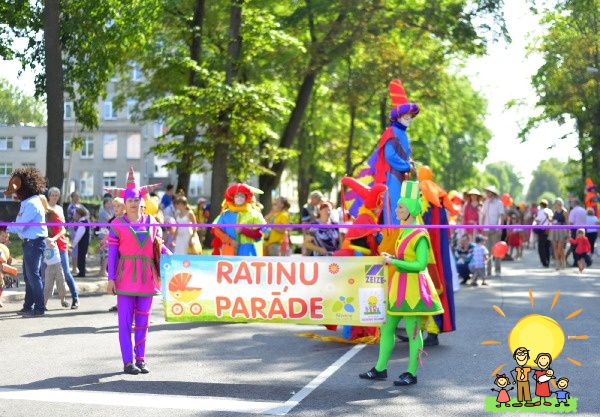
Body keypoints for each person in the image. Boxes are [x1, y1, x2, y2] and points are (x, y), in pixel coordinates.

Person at [359, 181, 443, 386]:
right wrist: (393, 256)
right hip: (398, 287)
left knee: (414, 331)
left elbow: (420, 264)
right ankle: (380, 369)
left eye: (400, 207)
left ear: (412, 210)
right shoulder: (404, 230)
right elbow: (406, 257)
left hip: (413, 288)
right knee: (387, 328)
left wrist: (393, 261)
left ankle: (411, 373)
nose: (396, 210)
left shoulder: (420, 234)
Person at [104, 166, 167, 374]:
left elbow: (159, 246)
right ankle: (127, 362)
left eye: (136, 199)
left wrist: (173, 258)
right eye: (129, 200)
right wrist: (111, 278)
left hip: (147, 279)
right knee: (124, 323)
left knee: (143, 322)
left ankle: (141, 359)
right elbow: (112, 254)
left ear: (142, 202)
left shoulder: (153, 222)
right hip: (125, 279)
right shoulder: (117, 224)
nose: (133, 203)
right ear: (125, 203)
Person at [4, 167, 48, 318]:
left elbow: (20, 225)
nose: (15, 193)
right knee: (29, 276)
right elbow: (19, 223)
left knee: (33, 276)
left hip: (34, 243)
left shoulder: (32, 203)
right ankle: (28, 306)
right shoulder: (27, 202)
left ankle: (39, 307)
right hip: (30, 243)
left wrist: (5, 228)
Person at [47, 186, 80, 308]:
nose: (55, 197)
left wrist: (55, 239)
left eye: (57, 195)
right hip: (47, 245)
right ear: (49, 196)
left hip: (60, 244)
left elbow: (63, 229)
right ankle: (41, 302)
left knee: (66, 272)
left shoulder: (60, 209)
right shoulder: (44, 208)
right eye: (53, 194)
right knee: (45, 273)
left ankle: (75, 297)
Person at [212, 183, 267, 256]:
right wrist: (230, 241)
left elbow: (259, 234)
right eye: (237, 195)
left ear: (246, 197)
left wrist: (243, 230)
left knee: (246, 266)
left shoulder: (254, 214)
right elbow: (217, 230)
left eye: (242, 195)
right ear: (233, 198)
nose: (239, 198)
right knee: (229, 266)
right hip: (229, 247)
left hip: (247, 248)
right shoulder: (225, 214)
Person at [39, 195, 70, 309]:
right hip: (43, 250)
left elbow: (63, 229)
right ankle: (44, 303)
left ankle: (64, 299)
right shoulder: (36, 215)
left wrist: (53, 239)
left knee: (61, 277)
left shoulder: (52, 214)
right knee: (46, 279)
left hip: (57, 248)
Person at [481, 185, 505, 277]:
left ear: (493, 193)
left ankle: (497, 270)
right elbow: (483, 215)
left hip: (495, 229)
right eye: (487, 192)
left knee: (497, 250)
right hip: (487, 229)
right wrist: (483, 227)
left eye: (489, 192)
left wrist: (500, 228)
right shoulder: (486, 203)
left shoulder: (499, 203)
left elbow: (502, 216)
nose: (487, 193)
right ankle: (489, 270)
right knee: (487, 250)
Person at [66, 191, 89, 275]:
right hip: (73, 228)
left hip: (79, 228)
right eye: (74, 196)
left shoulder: (80, 206)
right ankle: (75, 267)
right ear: (72, 197)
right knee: (75, 248)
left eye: (77, 196)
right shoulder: (71, 207)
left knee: (82, 249)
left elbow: (87, 214)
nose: (76, 198)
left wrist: (84, 215)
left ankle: (81, 267)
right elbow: (75, 216)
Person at [549, 198, 569, 270]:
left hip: (562, 230)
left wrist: (568, 232)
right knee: (555, 247)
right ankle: (557, 263)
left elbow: (567, 222)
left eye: (555, 203)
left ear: (559, 204)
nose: (554, 205)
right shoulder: (555, 212)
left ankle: (563, 261)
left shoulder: (564, 211)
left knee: (560, 248)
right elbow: (552, 221)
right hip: (554, 229)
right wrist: (549, 217)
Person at [71, 207, 91, 277]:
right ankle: (81, 272)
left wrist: (73, 245)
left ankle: (81, 273)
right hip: (84, 243)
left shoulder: (82, 223)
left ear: (79, 215)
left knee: (81, 258)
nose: (75, 215)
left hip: (82, 244)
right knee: (82, 258)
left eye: (76, 213)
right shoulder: (85, 221)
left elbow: (78, 236)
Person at [97, 197, 115, 276]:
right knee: (106, 254)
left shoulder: (110, 211)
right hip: (103, 235)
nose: (109, 204)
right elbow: (111, 220)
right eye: (107, 203)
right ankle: (103, 270)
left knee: (104, 253)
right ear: (104, 204)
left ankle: (102, 270)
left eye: (110, 203)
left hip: (107, 235)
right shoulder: (103, 212)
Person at [566, 198, 587, 266]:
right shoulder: (584, 210)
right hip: (583, 229)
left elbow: (571, 222)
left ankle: (576, 262)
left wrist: (569, 230)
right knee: (582, 246)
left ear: (574, 204)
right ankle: (582, 261)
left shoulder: (573, 211)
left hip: (575, 230)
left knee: (575, 246)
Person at [534, 199, 552, 267]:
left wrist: (534, 218)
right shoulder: (550, 211)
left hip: (542, 230)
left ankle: (544, 262)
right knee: (547, 246)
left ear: (541, 205)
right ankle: (548, 261)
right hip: (549, 230)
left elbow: (538, 220)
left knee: (541, 247)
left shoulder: (541, 211)